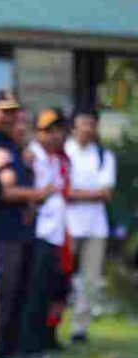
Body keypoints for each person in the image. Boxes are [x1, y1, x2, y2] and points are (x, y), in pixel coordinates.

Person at [0, 91, 53, 358]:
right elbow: (5, 191)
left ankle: (6, 351)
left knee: (14, 293)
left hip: (17, 230)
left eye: (13, 112)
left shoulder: (12, 144)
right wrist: (37, 193)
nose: (9, 117)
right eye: (3, 111)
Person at [65, 108, 116, 343]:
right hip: (67, 224)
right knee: (60, 276)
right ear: (74, 127)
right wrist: (86, 193)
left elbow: (106, 193)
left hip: (96, 226)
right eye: (82, 123)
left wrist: (76, 193)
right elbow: (64, 190)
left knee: (90, 278)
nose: (87, 129)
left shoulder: (104, 156)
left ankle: (80, 327)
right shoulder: (65, 152)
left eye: (91, 124)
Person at [20, 109, 67, 358]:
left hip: (54, 233)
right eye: (47, 130)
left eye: (57, 130)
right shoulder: (32, 156)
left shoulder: (56, 159)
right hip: (38, 232)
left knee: (47, 291)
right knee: (34, 292)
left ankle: (41, 342)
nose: (53, 136)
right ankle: (29, 346)